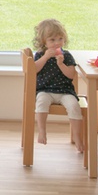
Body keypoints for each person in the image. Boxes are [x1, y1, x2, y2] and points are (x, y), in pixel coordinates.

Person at [31, 18, 85, 154]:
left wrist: (61, 64)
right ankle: (42, 131)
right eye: (52, 40)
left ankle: (77, 137)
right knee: (41, 102)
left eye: (60, 39)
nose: (57, 43)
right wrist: (45, 58)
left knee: (74, 106)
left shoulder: (66, 56)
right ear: (44, 42)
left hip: (65, 91)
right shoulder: (40, 55)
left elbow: (71, 75)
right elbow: (33, 70)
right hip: (45, 90)